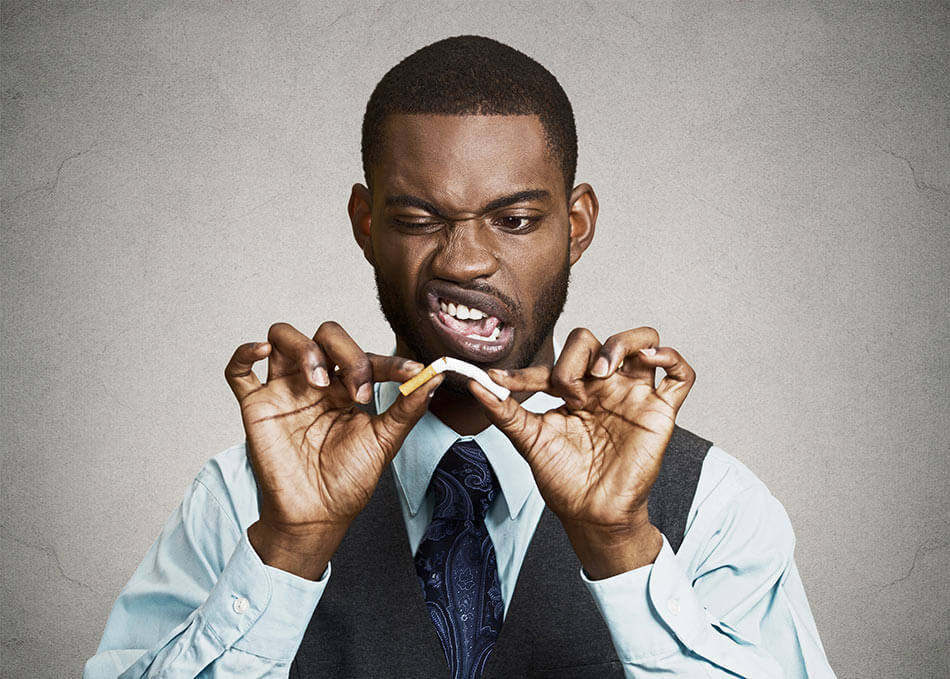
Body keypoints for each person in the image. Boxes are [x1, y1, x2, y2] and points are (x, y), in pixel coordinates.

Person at [85, 36, 835, 678]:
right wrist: (287, 550)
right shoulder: (244, 497)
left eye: (514, 219)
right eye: (417, 217)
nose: (467, 260)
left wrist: (624, 549)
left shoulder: (710, 504)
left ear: (576, 226)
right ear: (366, 223)